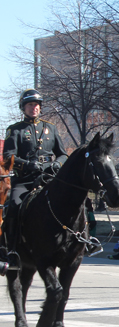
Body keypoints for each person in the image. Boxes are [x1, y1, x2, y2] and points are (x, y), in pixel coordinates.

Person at [2, 89, 68, 258]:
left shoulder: (50, 128)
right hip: (24, 180)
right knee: (14, 208)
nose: (34, 108)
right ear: (23, 108)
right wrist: (27, 164)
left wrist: (55, 164)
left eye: (37, 105)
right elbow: (8, 156)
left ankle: (81, 241)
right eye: (30, 104)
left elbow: (63, 154)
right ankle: (10, 250)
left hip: (48, 178)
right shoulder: (15, 130)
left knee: (73, 200)